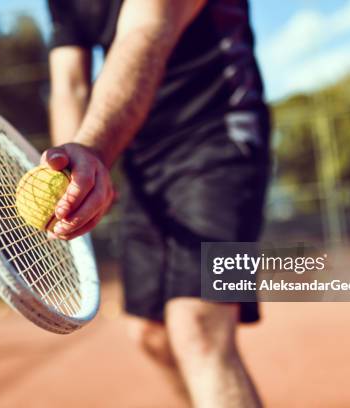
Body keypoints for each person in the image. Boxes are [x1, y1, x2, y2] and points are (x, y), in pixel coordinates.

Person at [43, 0, 270, 406]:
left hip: (223, 133)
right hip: (140, 155)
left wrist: (92, 150)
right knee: (151, 334)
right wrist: (68, 175)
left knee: (197, 326)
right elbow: (69, 86)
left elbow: (145, 31)